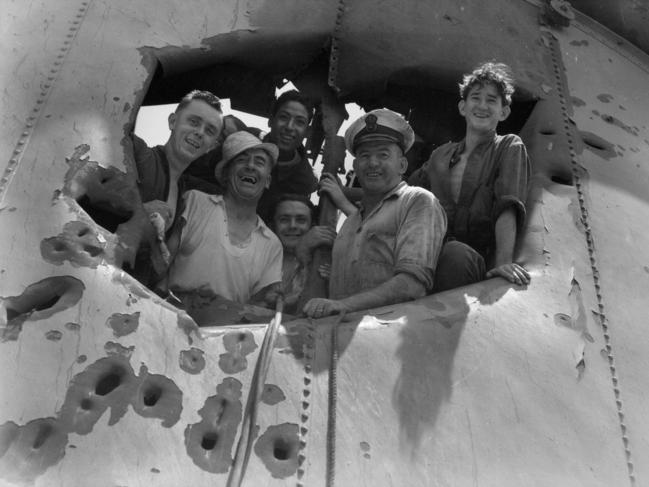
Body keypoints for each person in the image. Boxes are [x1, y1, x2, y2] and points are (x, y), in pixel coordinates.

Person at [303, 108, 447, 318]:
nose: (372, 163)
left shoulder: (417, 202)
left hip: (386, 337)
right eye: (365, 155)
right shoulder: (350, 223)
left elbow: (412, 285)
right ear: (355, 165)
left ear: (402, 164)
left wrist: (344, 306)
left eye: (383, 155)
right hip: (338, 338)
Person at [408, 62, 531, 290]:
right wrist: (340, 193)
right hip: (428, 252)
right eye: (476, 98)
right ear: (463, 107)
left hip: (470, 261)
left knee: (455, 255)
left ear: (503, 112)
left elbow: (508, 205)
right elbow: (403, 194)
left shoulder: (508, 146)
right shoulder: (440, 156)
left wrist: (504, 263)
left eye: (491, 100)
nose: (482, 106)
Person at [160, 131, 283, 307]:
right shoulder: (196, 202)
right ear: (226, 174)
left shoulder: (272, 244)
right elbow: (161, 265)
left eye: (259, 162)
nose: (250, 166)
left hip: (225, 331)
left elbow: (258, 307)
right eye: (241, 159)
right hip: (171, 317)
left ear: (268, 180)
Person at [256, 90, 319, 222]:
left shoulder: (304, 182)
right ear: (271, 120)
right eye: (284, 117)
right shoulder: (242, 148)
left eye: (300, 122)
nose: (290, 127)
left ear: (307, 132)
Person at [271, 194, 337, 315]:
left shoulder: (327, 259)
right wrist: (301, 251)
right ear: (273, 225)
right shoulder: (261, 257)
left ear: (312, 226)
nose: (292, 226)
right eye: (284, 219)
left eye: (301, 220)